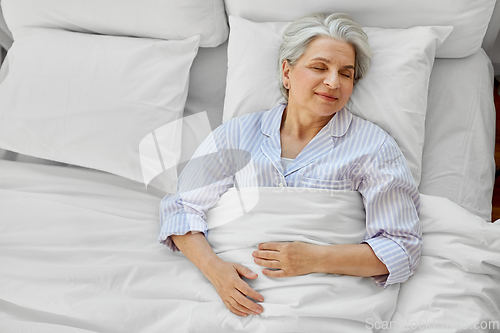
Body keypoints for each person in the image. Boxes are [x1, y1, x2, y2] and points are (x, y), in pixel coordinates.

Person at [159, 12, 421, 318]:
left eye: (346, 74)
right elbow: (181, 208)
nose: (333, 82)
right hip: (231, 292)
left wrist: (316, 258)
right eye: (319, 67)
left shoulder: (374, 147)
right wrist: (215, 270)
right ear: (287, 72)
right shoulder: (236, 134)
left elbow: (401, 247)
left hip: (325, 301)